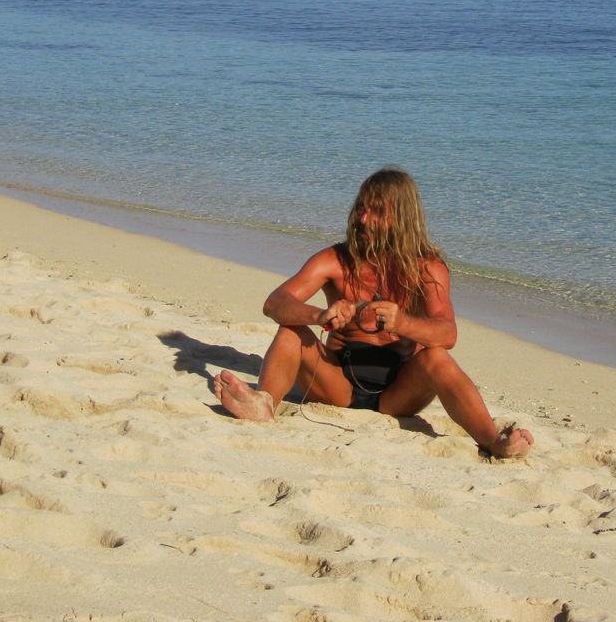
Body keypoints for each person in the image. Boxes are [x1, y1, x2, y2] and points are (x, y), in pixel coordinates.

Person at [214, 167, 533, 458]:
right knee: (290, 331)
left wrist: (402, 322)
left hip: (398, 393)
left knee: (437, 357)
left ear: (402, 217)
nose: (364, 219)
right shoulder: (335, 260)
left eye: (377, 212)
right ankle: (264, 404)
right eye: (361, 209)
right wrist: (319, 316)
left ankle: (492, 441)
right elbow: (275, 303)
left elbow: (447, 334)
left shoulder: (427, 268)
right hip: (336, 383)